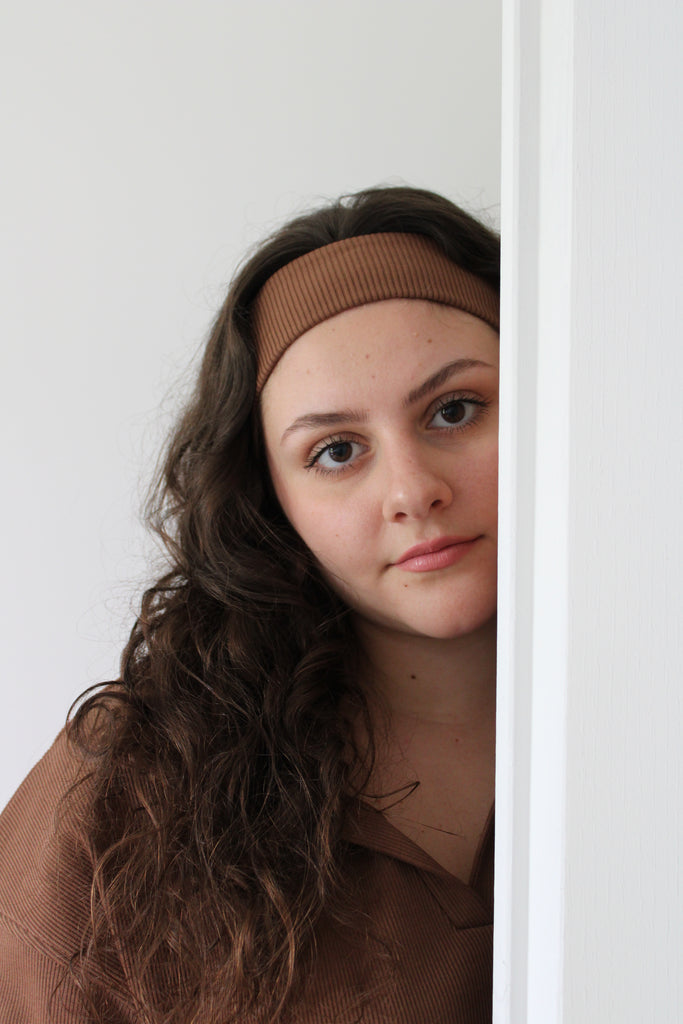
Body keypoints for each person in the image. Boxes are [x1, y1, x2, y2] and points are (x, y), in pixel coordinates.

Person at [0, 185, 500, 1023]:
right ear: (271, 498)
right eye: (336, 451)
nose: (413, 491)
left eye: (455, 410)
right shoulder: (130, 793)